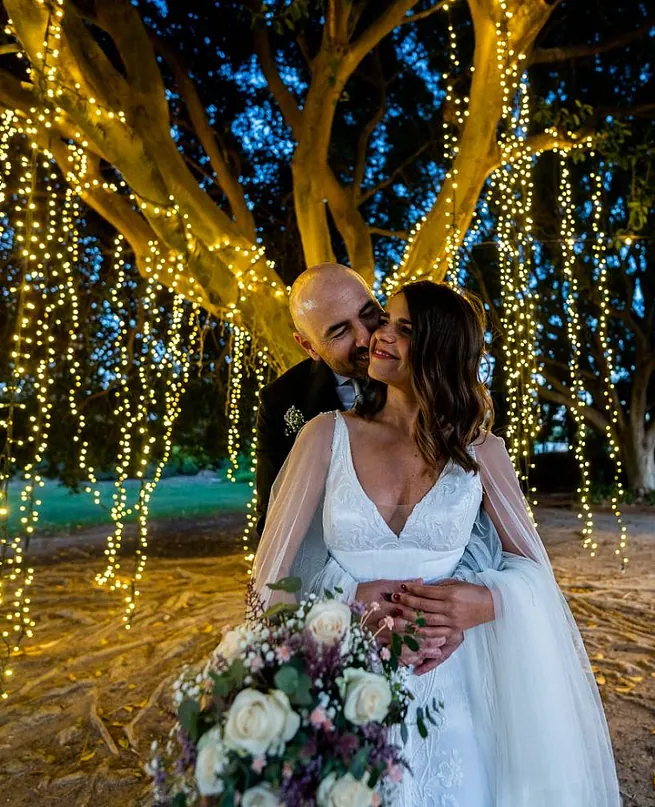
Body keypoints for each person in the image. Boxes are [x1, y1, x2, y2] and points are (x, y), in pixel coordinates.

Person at [252, 280, 621, 805]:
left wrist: (485, 600)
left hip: (458, 682)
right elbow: (267, 582)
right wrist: (347, 603)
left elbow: (535, 571)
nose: (378, 335)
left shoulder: (481, 450)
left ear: (441, 350)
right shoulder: (322, 434)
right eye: (385, 322)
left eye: (399, 326)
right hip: (344, 674)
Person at [255, 263, 500, 672]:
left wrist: (457, 608)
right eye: (339, 331)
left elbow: (472, 513)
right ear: (308, 346)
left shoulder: (450, 390)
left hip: (448, 650)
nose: (368, 337)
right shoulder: (289, 405)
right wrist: (343, 607)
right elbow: (276, 541)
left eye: (370, 314)